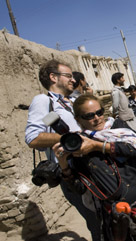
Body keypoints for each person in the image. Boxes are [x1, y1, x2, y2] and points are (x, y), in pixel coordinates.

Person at [52, 94, 136, 241]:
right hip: (118, 215)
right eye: (89, 116)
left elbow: (133, 149)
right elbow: (80, 188)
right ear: (78, 119)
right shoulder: (77, 145)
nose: (97, 118)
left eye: (99, 112)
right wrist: (63, 164)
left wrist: (97, 146)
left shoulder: (117, 127)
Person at [25, 60, 101, 240]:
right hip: (72, 171)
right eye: (68, 75)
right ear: (53, 77)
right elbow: (33, 137)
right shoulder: (44, 101)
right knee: (97, 222)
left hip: (94, 165)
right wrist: (73, 139)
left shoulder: (73, 100)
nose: (73, 80)